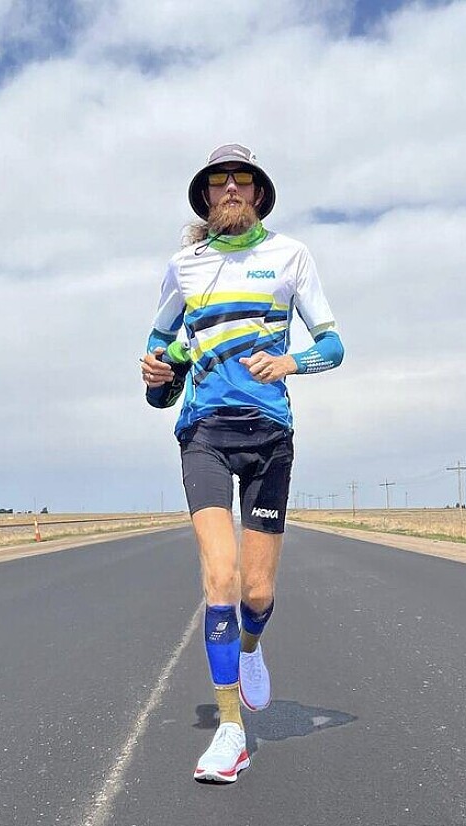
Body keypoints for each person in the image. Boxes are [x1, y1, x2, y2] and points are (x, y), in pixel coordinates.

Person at [141, 143, 345, 783]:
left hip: (269, 436)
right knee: (220, 578)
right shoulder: (184, 267)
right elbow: (158, 357)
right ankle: (230, 730)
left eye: (242, 179)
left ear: (257, 193)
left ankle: (251, 647)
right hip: (203, 432)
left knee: (257, 592)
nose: (230, 187)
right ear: (206, 196)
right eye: (219, 180)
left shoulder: (291, 256)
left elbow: (334, 345)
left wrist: (291, 362)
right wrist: (159, 375)